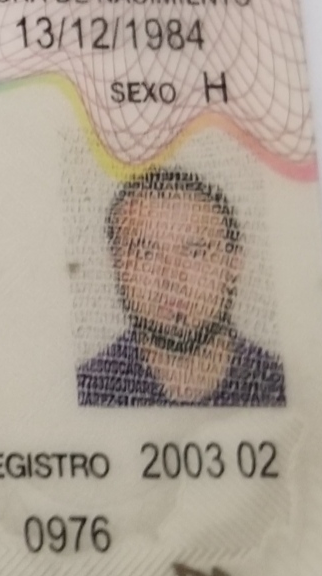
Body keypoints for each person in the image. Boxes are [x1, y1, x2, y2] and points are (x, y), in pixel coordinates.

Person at [76, 168, 285, 408]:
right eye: (146, 254)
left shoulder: (278, 387)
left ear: (233, 264)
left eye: (195, 253)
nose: (172, 279)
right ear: (116, 265)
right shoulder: (89, 392)